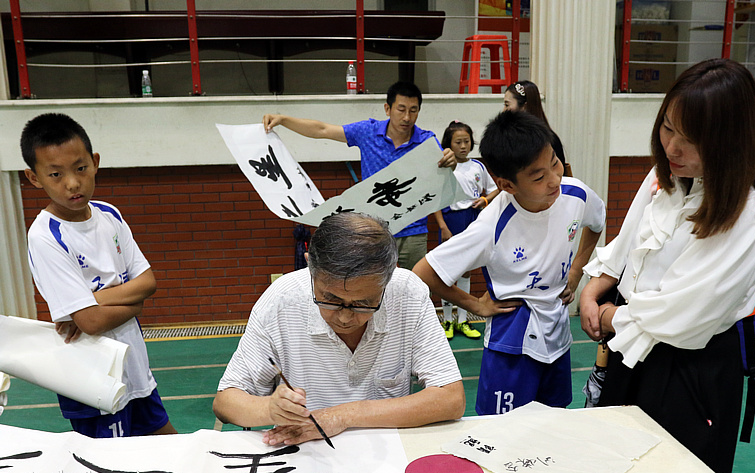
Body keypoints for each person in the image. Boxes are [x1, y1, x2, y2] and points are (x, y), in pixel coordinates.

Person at [579, 58, 755, 473]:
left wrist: (613, 316)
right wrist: (593, 289)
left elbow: (687, 310)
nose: (672, 148)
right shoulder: (666, 174)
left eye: (691, 140)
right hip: (630, 347)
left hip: (690, 366)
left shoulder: (750, 213)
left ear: (730, 142)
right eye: (668, 128)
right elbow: (629, 241)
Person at [213, 212, 465, 446]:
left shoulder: (407, 293)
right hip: (306, 455)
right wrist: (269, 408)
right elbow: (225, 402)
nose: (345, 317)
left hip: (387, 453)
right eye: (330, 300)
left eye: (364, 303)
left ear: (390, 277)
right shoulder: (281, 300)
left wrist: (343, 415)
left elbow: (451, 399)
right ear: (310, 267)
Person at [413, 111, 605, 415]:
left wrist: (576, 270)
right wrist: (475, 305)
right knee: (502, 432)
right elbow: (423, 272)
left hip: (558, 328)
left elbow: (597, 221)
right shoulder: (491, 224)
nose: (554, 179)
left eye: (554, 162)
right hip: (512, 336)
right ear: (507, 185)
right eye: (539, 176)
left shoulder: (576, 193)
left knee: (555, 420)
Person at [22, 113, 177, 438]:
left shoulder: (109, 214)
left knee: (169, 449)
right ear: (34, 178)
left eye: (80, 168)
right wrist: (134, 304)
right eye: (55, 174)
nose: (72, 183)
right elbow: (91, 323)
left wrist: (91, 302)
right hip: (93, 382)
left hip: (135, 371)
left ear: (94, 162)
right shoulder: (46, 236)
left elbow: (149, 282)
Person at [263, 81, 456, 271]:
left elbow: (441, 175)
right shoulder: (368, 132)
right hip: (375, 230)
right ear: (387, 109)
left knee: (416, 286)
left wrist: (451, 163)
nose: (407, 117)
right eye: (401, 109)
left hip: (414, 230)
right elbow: (322, 129)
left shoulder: (426, 141)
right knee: (374, 286)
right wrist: (283, 120)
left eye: (413, 110)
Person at [432, 120, 499, 341]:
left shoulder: (478, 167)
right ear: (448, 144)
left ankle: (462, 320)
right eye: (458, 142)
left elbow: (495, 190)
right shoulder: (443, 166)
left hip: (473, 219)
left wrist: (484, 201)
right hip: (451, 220)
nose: (463, 146)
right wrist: (442, 226)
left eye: (466, 141)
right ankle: (448, 320)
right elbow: (435, 200)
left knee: (467, 269)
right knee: (447, 273)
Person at [503, 80, 567, 170]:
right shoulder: (506, 137)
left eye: (507, 105)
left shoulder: (549, 140)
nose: (503, 110)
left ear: (524, 107)